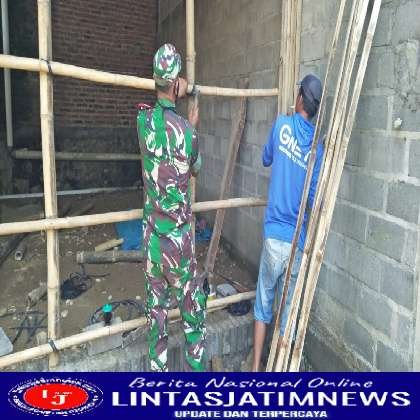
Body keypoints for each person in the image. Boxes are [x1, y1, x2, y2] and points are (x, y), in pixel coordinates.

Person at [137, 43, 206, 372]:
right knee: (193, 317)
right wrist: (192, 125)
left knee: (157, 322)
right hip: (179, 245)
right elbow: (197, 169)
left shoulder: (142, 123)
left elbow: (157, 113)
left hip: (153, 243)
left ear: (154, 79)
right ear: (177, 83)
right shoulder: (187, 133)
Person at [252, 74, 323, 372]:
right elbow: (314, 198)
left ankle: (255, 369)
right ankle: (281, 371)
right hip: (297, 241)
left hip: (273, 237)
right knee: (287, 314)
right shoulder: (316, 149)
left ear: (299, 98)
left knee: (263, 305)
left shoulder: (281, 126)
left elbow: (265, 158)